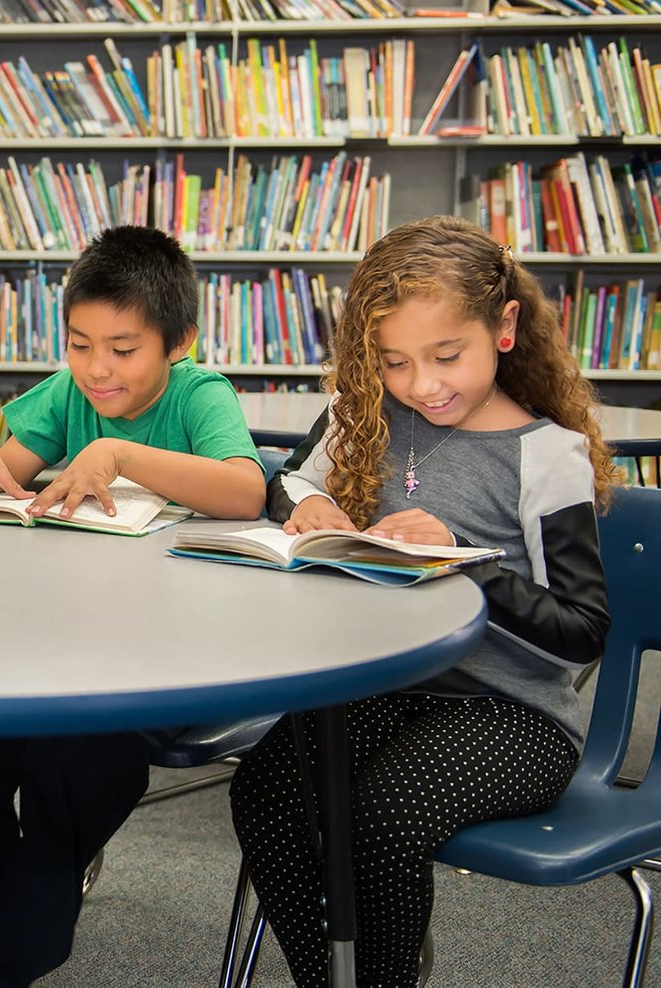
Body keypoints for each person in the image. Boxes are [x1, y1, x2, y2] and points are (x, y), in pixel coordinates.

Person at [229, 215, 617, 987]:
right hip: (385, 686)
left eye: (446, 356)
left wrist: (462, 561)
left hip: (514, 715)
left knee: (383, 817)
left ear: (504, 326)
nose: (423, 385)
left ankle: (383, 977)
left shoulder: (547, 456)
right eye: (394, 361)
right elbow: (287, 481)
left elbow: (582, 632)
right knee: (266, 796)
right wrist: (307, 504)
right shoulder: (365, 414)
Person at [0, 224, 266, 988]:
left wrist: (119, 453)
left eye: (123, 348)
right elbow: (4, 478)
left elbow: (246, 490)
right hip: (54, 649)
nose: (97, 368)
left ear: (178, 343)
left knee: (72, 766)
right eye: (80, 345)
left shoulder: (199, 393)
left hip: (162, 666)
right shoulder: (68, 391)